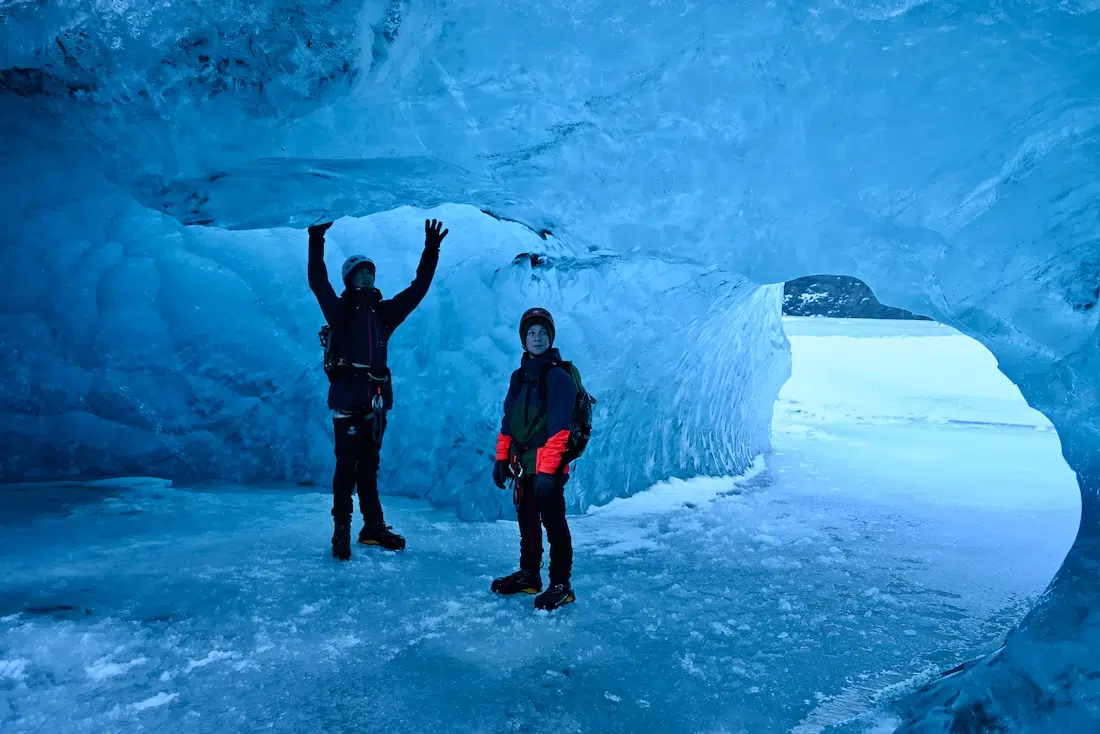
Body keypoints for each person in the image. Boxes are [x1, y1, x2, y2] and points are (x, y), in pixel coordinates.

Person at [307, 218, 448, 560]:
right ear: (349, 279)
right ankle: (341, 530)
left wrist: (431, 250)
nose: (367, 275)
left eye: (370, 270)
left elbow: (418, 289)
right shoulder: (340, 311)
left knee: (368, 469)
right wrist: (316, 237)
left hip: (374, 403)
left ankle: (372, 527)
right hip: (347, 402)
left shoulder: (384, 314)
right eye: (359, 271)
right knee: (346, 467)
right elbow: (317, 281)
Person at [490, 308, 579, 610]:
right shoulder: (519, 377)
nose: (537, 338)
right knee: (527, 520)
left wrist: (548, 471)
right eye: (531, 333)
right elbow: (508, 422)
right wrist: (502, 457)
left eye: (542, 332)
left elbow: (560, 429)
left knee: (553, 522)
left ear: (550, 337)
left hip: (549, 465)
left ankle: (561, 584)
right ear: (523, 339)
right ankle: (530, 575)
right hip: (524, 464)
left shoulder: (559, 378)